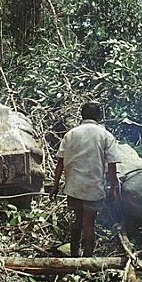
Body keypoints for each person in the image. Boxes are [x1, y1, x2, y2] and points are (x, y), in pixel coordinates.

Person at [50, 102, 120, 257]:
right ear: (99, 116)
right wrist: (112, 188)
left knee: (77, 220)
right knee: (89, 223)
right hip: (93, 187)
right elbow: (112, 165)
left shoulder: (71, 134)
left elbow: (60, 163)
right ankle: (87, 259)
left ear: (82, 115)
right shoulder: (105, 135)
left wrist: (55, 186)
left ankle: (74, 254)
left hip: (74, 187)